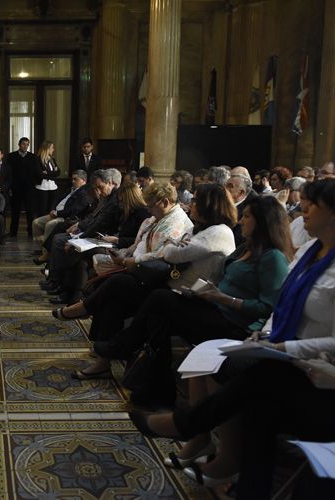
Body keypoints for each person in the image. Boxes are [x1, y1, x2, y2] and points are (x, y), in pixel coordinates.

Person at [130, 180, 335, 495]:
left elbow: (269, 302)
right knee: (257, 399)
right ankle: (235, 471)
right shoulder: (309, 251)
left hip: (315, 370)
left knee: (254, 379)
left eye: (312, 204)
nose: (302, 209)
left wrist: (278, 343)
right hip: (281, 352)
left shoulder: (252, 248)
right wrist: (263, 334)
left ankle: (188, 423)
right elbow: (282, 305)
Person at [85, 196, 293, 406]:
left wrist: (225, 299)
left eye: (247, 216)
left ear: (263, 222)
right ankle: (155, 386)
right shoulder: (246, 249)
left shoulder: (272, 258)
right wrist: (203, 293)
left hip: (235, 324)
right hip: (215, 306)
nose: (241, 221)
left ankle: (132, 360)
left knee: (160, 300)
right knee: (159, 316)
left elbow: (267, 308)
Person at [45, 180, 150, 305]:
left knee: (81, 253)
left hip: (126, 249)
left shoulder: (142, 214)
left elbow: (138, 239)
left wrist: (117, 239)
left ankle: (71, 295)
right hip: (115, 243)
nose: (121, 204)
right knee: (78, 253)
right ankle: (70, 293)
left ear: (129, 198)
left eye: (122, 201)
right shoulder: (129, 211)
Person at [32, 170, 90, 261]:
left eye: (76, 179)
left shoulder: (84, 192)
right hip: (56, 213)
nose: (73, 181)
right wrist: (53, 209)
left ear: (83, 180)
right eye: (72, 179)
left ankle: (47, 253)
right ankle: (40, 248)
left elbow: (74, 210)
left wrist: (57, 213)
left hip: (65, 217)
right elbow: (57, 198)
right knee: (36, 222)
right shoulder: (71, 189)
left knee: (50, 224)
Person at [7, 137, 38, 237]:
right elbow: (8, 173)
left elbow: (36, 172)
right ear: (19, 144)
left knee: (30, 211)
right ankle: (13, 231)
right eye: (23, 144)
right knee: (15, 211)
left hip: (29, 189)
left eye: (27, 144)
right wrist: (10, 187)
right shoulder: (11, 156)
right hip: (16, 188)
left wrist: (34, 184)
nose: (25, 146)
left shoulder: (33, 157)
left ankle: (30, 231)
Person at [225, 173, 257, 245]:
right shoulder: (222, 206)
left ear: (241, 192)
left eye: (230, 186)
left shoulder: (247, 212)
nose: (225, 189)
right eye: (225, 185)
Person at [33, 141, 60, 217]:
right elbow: (39, 174)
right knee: (42, 210)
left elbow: (58, 172)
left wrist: (47, 173)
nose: (53, 149)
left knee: (51, 209)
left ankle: (48, 228)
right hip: (42, 187)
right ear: (47, 149)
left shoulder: (52, 159)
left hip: (53, 187)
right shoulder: (37, 159)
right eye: (52, 148)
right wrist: (52, 173)